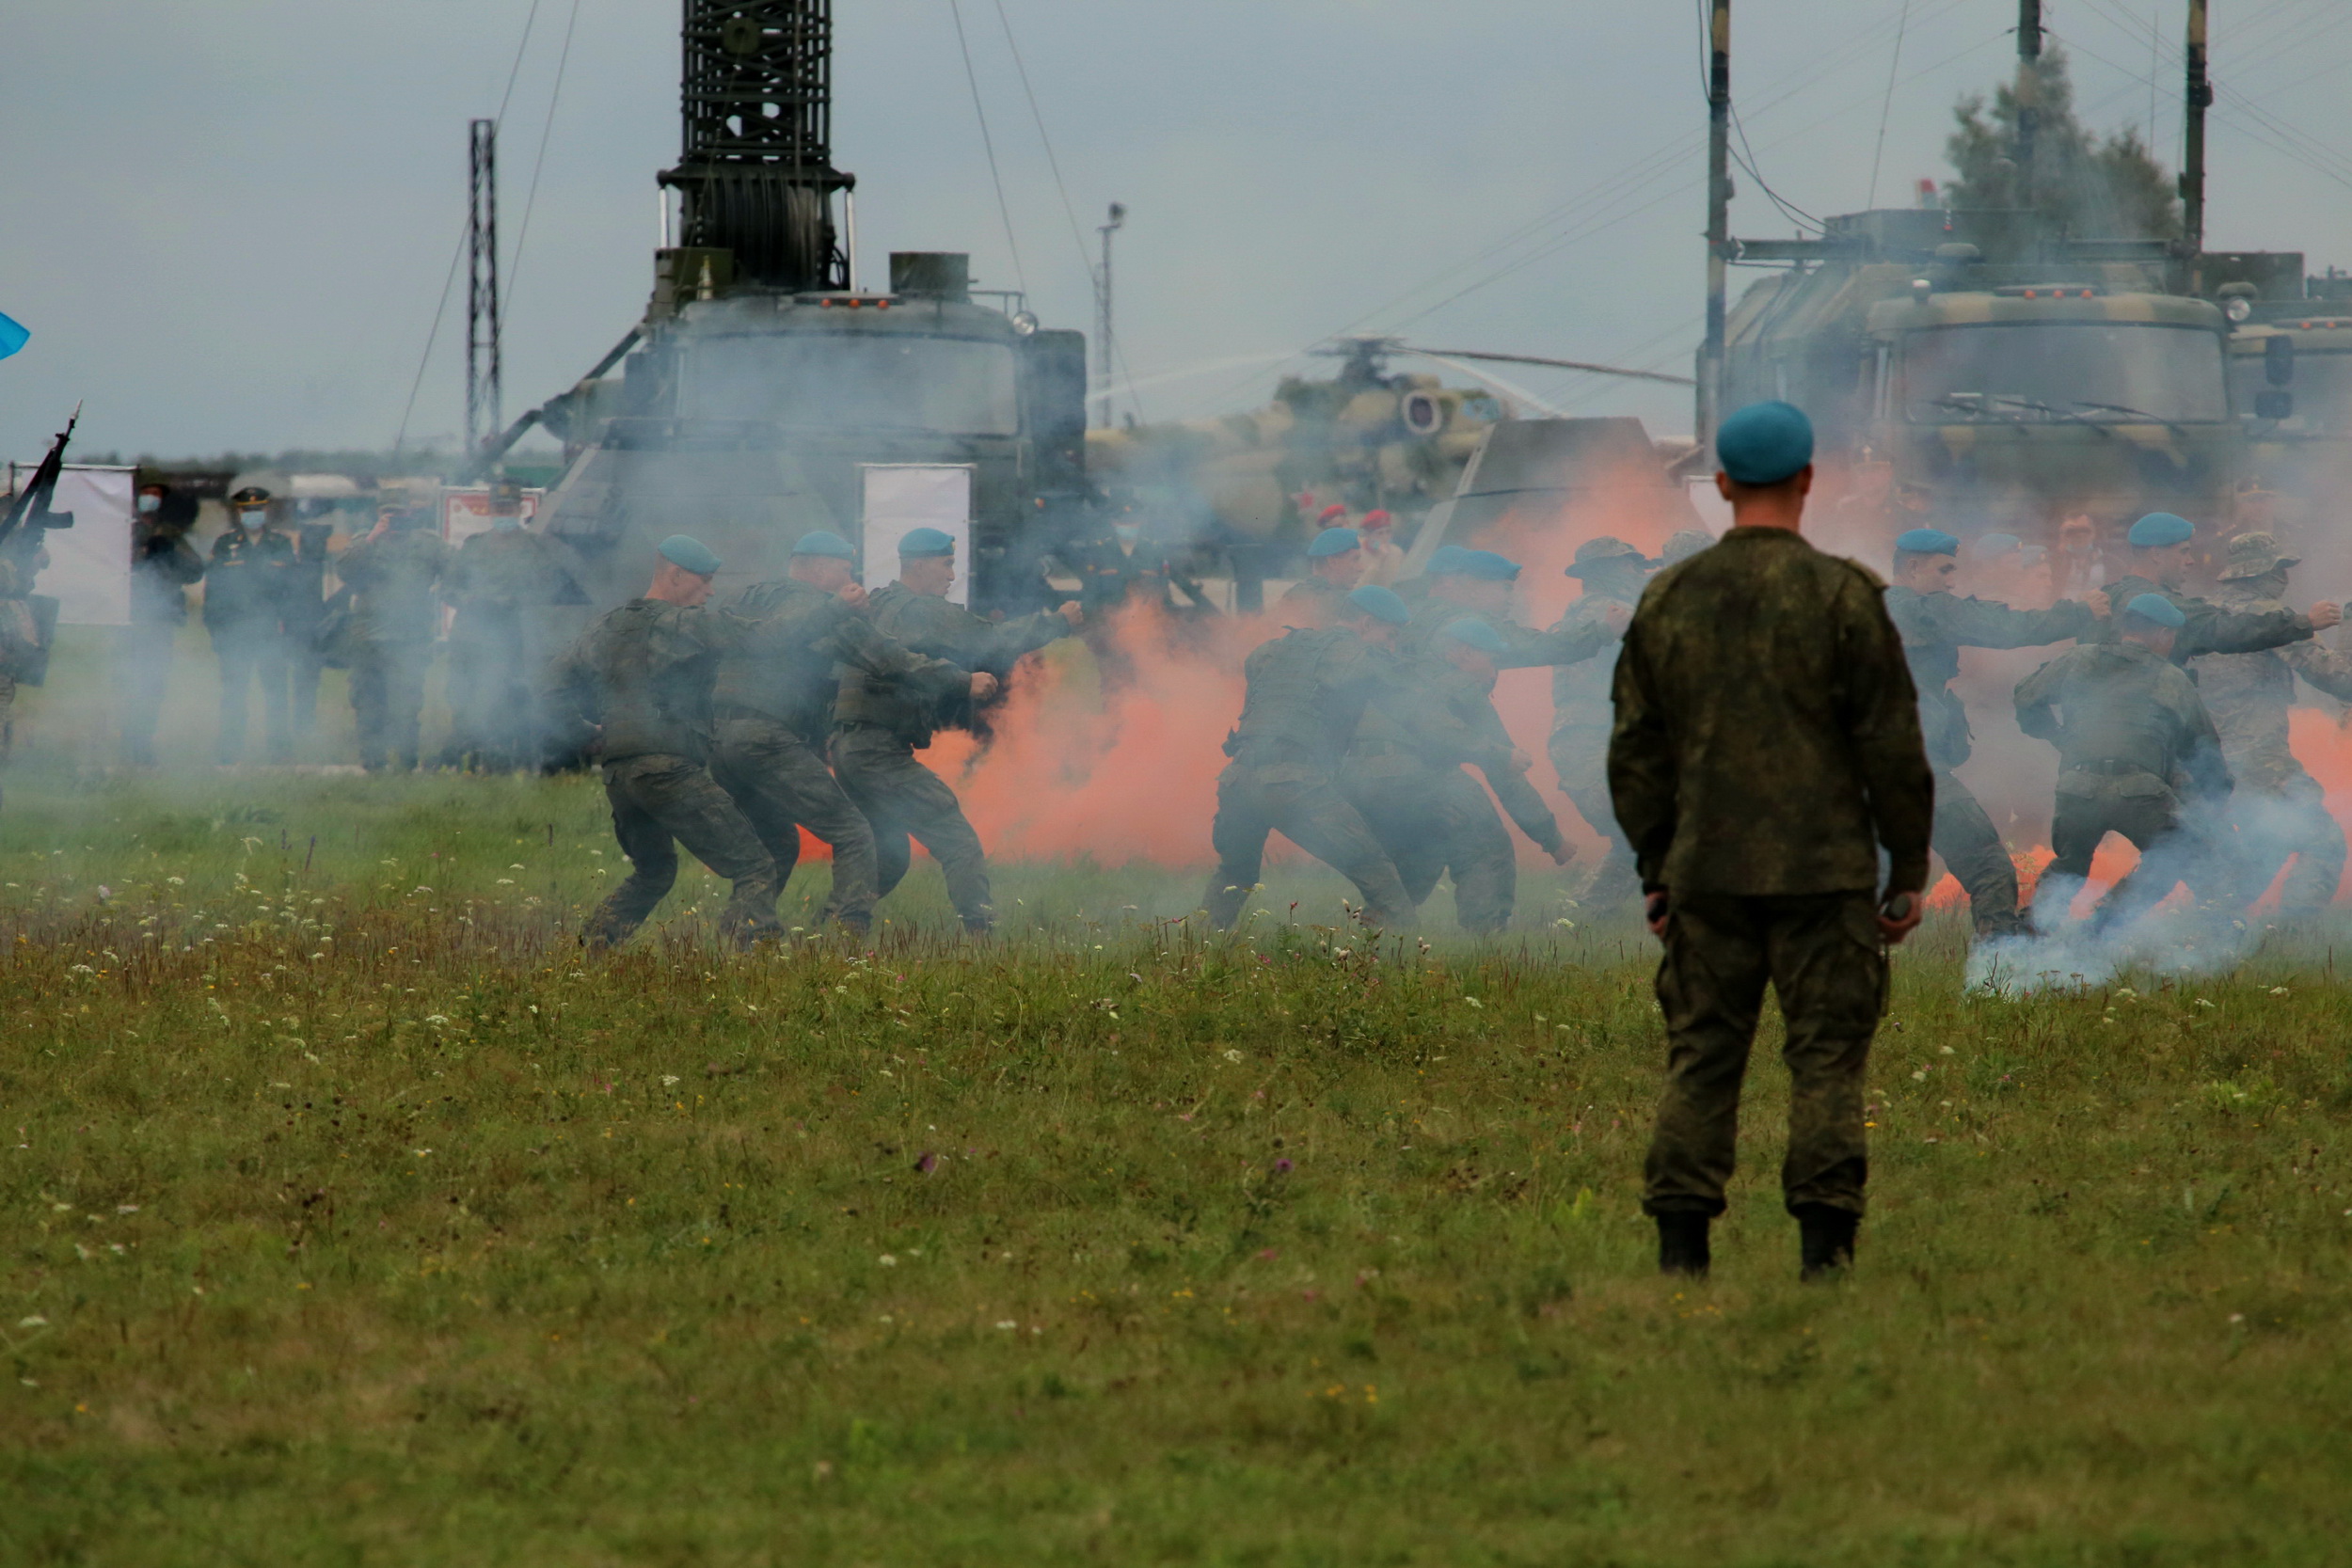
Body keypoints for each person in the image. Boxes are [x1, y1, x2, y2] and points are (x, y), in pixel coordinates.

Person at [1609, 400, 1931, 1282]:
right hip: (1824, 876)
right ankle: (1824, 1256)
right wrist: (1904, 872)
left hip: (1706, 871)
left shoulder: (1668, 598)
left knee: (1702, 1058)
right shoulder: (1844, 596)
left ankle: (1682, 1257)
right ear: (1807, 480)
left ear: (1719, 486)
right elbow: (1892, 748)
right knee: (1827, 1060)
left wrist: (1656, 868)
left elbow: (1635, 753)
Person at [708, 531, 987, 937]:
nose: (849, 579)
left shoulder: (748, 598)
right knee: (855, 831)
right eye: (843, 569)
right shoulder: (820, 607)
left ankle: (745, 933)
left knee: (777, 844)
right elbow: (882, 657)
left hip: (719, 743)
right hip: (766, 739)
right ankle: (844, 938)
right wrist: (961, 681)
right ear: (819, 567)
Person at [833, 527, 1081, 933]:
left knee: (888, 854)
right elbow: (989, 639)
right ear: (917, 565)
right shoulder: (920, 609)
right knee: (956, 837)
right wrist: (1059, 622)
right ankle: (982, 936)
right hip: (877, 749)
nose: (952, 575)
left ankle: (833, 929)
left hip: (849, 745)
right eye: (946, 564)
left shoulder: (878, 604)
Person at [540, 535, 784, 947]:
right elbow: (765, 638)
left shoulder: (604, 625)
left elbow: (549, 685)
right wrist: (833, 609)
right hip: (669, 768)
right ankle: (754, 958)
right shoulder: (682, 623)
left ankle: (593, 951)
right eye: (704, 582)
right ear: (675, 575)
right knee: (756, 865)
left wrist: (582, 735)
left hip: (619, 774)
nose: (709, 592)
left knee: (654, 872)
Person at [1883, 527, 2105, 938]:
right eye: (1944, 570)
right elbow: (2001, 627)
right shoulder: (1918, 608)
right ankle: (1999, 972)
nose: (1951, 581)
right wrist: (2079, 612)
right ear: (1912, 567)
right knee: (1989, 868)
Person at [1204, 585, 1426, 931]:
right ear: (1367, 624)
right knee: (1377, 872)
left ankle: (1191, 949)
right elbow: (1408, 691)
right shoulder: (1354, 654)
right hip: (1293, 783)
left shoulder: (1274, 650)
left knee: (1234, 874)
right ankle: (1406, 963)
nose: (1391, 645)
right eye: (1390, 634)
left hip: (1238, 780)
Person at [2013, 594, 2232, 930]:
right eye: (2171, 636)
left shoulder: (2078, 658)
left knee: (2070, 865)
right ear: (2162, 634)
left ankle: (2028, 936)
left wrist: (2061, 740)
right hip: (2140, 792)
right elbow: (2204, 749)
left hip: (2077, 786)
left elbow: (2026, 698)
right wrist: (2215, 800)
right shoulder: (2171, 678)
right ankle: (2105, 925)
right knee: (2177, 852)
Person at [1344, 616, 1569, 933]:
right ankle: (1486, 939)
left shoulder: (1403, 671)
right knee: (1486, 842)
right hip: (1410, 775)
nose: (1494, 673)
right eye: (1491, 661)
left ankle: (1374, 929)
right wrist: (1551, 838)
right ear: (1462, 653)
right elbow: (1505, 772)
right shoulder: (1458, 683)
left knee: (1426, 844)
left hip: (1357, 783)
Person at [2196, 531, 2352, 912]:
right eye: (2281, 568)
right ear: (2262, 572)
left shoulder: (2203, 613)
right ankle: (2293, 936)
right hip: (2258, 762)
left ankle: (2209, 927)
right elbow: (2340, 679)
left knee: (2263, 848)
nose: (2285, 579)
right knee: (2323, 841)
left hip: (2202, 764)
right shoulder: (2273, 620)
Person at [441, 486, 580, 769]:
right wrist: (472, 600)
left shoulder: (537, 547)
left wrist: (516, 601)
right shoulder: (473, 546)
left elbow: (552, 587)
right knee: (465, 697)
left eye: (508, 509)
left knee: (510, 698)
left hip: (516, 636)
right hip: (473, 637)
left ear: (520, 510)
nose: (503, 514)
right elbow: (448, 588)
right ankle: (467, 755)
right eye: (499, 509)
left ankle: (508, 758)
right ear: (491, 510)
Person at [1547, 537, 1651, 909]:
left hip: (1601, 741)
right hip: (1589, 745)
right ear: (1603, 571)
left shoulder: (1596, 609)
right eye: (1629, 564)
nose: (1639, 571)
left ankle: (1577, 923)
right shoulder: (1604, 611)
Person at [2095, 511, 2341, 663]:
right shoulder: (2158, 606)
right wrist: (2305, 623)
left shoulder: (2105, 599)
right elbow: (2223, 629)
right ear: (2156, 554)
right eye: (2183, 552)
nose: (2190, 561)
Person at [336, 500, 448, 772]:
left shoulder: (427, 543)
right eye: (389, 513)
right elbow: (344, 571)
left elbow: (457, 571)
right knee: (367, 702)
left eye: (400, 512)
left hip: (409, 638)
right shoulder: (364, 541)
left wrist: (441, 595)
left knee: (406, 703)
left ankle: (405, 761)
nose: (395, 518)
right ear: (379, 514)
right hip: (368, 638)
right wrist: (373, 538)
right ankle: (373, 762)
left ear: (411, 512)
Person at [1406, 546, 1622, 667]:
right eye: (1506, 589)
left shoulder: (1422, 613)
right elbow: (1537, 647)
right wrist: (1602, 631)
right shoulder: (1462, 624)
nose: (1511, 599)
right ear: (1473, 586)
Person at [204, 485, 297, 764]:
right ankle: (229, 752)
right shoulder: (225, 544)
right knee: (234, 693)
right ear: (239, 512)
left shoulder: (280, 544)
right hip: (235, 632)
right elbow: (214, 592)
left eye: (257, 510)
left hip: (271, 632)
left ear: (266, 511)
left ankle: (279, 753)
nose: (252, 514)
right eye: (247, 510)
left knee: (276, 693)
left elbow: (292, 589)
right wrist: (216, 631)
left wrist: (289, 628)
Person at [122, 483, 204, 766]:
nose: (150, 501)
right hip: (127, 620)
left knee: (153, 683)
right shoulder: (123, 527)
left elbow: (194, 569)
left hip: (159, 621)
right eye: (146, 495)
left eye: (156, 497)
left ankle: (143, 743)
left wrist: (167, 547)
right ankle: (126, 742)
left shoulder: (169, 534)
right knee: (124, 682)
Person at [1273, 526, 1362, 625]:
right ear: (1333, 562)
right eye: (1355, 559)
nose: (1361, 568)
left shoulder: (1292, 595)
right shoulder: (1346, 605)